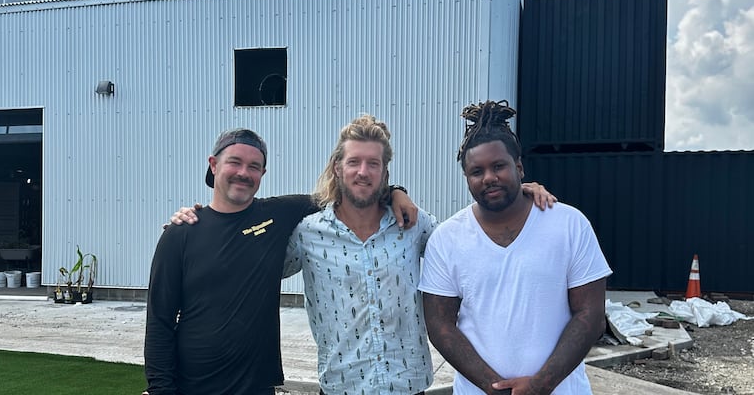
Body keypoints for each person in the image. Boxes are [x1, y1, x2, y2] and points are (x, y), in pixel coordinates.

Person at [143, 128, 417, 395]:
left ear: (263, 173)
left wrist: (394, 192)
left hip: (258, 386)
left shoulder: (279, 215)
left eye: (254, 166)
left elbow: (351, 195)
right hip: (193, 385)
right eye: (234, 162)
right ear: (213, 165)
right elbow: (159, 321)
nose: (243, 173)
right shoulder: (181, 234)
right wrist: (160, 389)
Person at [418, 100, 612, 395]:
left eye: (498, 166)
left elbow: (591, 315)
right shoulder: (446, 239)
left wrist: (540, 385)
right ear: (467, 178)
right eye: (476, 171)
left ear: (519, 167)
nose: (489, 178)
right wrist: (494, 388)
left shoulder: (569, 225)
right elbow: (440, 327)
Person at [282, 115, 438, 394]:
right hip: (342, 386)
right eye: (354, 162)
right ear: (338, 168)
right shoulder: (307, 234)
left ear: (385, 174)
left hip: (408, 385)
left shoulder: (414, 225)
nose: (363, 172)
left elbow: (467, 246)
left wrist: (516, 200)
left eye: (373, 163)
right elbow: (254, 264)